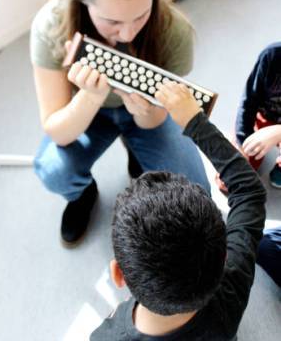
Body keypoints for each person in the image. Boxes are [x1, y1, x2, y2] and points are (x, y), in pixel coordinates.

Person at [30, 0, 210, 246]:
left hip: (145, 113)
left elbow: (161, 114)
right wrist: (90, 96)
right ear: (83, 2)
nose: (126, 32)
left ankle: (135, 149)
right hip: (87, 113)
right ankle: (82, 193)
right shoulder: (51, 27)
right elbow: (56, 128)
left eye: (141, 15)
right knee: (53, 170)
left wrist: (145, 112)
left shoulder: (174, 30)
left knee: (196, 191)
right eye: (111, 21)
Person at [90, 81, 266, 341]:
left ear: (118, 275)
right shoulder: (231, 290)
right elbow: (249, 191)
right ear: (223, 257)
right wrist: (195, 121)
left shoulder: (105, 337)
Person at [217, 42, 281, 192]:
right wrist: (242, 143)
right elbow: (249, 101)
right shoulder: (272, 56)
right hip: (264, 119)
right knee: (230, 179)